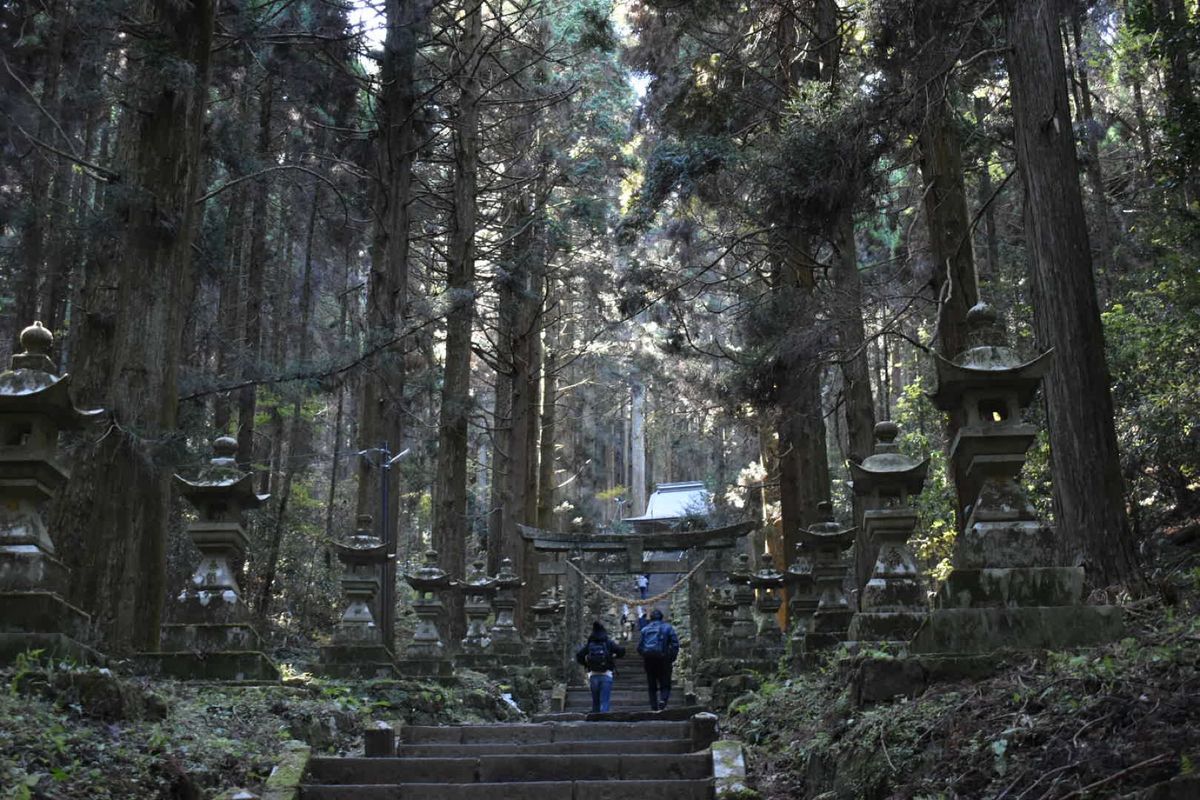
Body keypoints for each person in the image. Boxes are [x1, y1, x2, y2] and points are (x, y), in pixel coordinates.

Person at [575, 621, 625, 713]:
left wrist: (587, 664)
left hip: (593, 675)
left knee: (595, 702)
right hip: (606, 674)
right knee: (605, 701)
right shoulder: (608, 642)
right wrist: (613, 656)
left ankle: (594, 718)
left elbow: (579, 656)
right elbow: (621, 651)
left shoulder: (590, 644)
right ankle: (603, 719)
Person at [637, 608, 680, 711]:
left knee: (652, 685)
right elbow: (675, 644)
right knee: (665, 683)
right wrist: (671, 657)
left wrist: (646, 655)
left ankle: (654, 707)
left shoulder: (645, 629)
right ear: (662, 618)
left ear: (651, 618)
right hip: (664, 659)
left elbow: (639, 647)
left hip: (649, 660)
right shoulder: (667, 628)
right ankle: (663, 700)